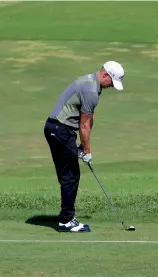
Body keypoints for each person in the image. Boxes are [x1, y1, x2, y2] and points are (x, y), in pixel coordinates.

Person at [44, 61, 125, 232]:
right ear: (105, 75)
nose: (111, 86)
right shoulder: (90, 90)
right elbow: (84, 125)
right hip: (61, 130)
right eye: (112, 82)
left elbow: (88, 117)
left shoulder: (91, 83)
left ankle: (67, 217)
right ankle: (66, 221)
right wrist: (87, 151)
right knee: (71, 176)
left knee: (68, 175)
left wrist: (82, 145)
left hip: (55, 129)